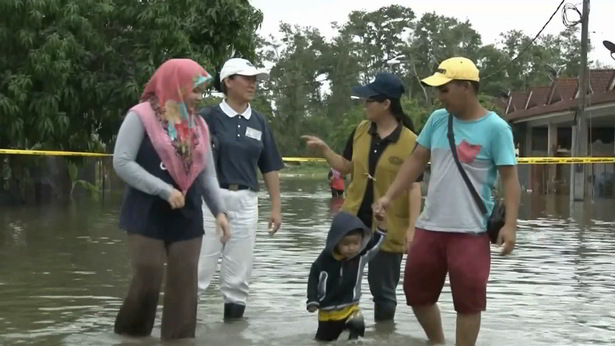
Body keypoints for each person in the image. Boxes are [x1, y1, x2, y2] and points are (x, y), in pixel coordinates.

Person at [373, 57, 521, 346]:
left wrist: (511, 225)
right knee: (416, 294)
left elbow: (511, 180)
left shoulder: (496, 128)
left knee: (469, 303)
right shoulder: (438, 120)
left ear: (466, 87)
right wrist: (389, 197)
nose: (440, 97)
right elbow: (416, 160)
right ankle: (437, 342)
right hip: (430, 227)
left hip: (471, 231)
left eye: (445, 90)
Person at [112, 59, 230, 340]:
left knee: (184, 289)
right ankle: (130, 338)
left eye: (203, 90)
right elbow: (122, 162)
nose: (201, 96)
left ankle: (178, 341)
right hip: (146, 211)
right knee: (148, 277)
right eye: (196, 88)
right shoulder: (140, 116)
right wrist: (163, 190)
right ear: (176, 84)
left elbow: (206, 175)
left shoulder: (197, 124)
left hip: (186, 215)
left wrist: (220, 212)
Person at [302, 72, 422, 322]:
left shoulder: (411, 141)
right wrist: (325, 150)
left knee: (384, 292)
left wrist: (412, 228)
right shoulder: (360, 131)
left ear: (386, 104)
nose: (364, 104)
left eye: (369, 100)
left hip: (388, 225)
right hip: (351, 223)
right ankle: (334, 327)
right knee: (336, 279)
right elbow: (346, 167)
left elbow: (413, 187)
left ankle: (384, 335)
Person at [197, 58, 284, 320]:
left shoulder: (259, 121)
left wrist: (276, 208)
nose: (253, 83)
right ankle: (180, 333)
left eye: (255, 79)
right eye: (246, 78)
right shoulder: (207, 117)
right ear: (228, 81)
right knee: (198, 270)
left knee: (238, 278)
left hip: (247, 202)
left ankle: (232, 334)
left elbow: (269, 166)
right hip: (209, 201)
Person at [306, 211, 388, 341]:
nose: (351, 248)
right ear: (336, 242)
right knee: (324, 341)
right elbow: (313, 279)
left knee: (358, 326)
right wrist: (312, 300)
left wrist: (382, 224)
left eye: (355, 243)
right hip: (328, 313)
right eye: (346, 244)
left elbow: (376, 245)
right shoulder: (323, 261)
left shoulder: (360, 257)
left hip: (351, 307)